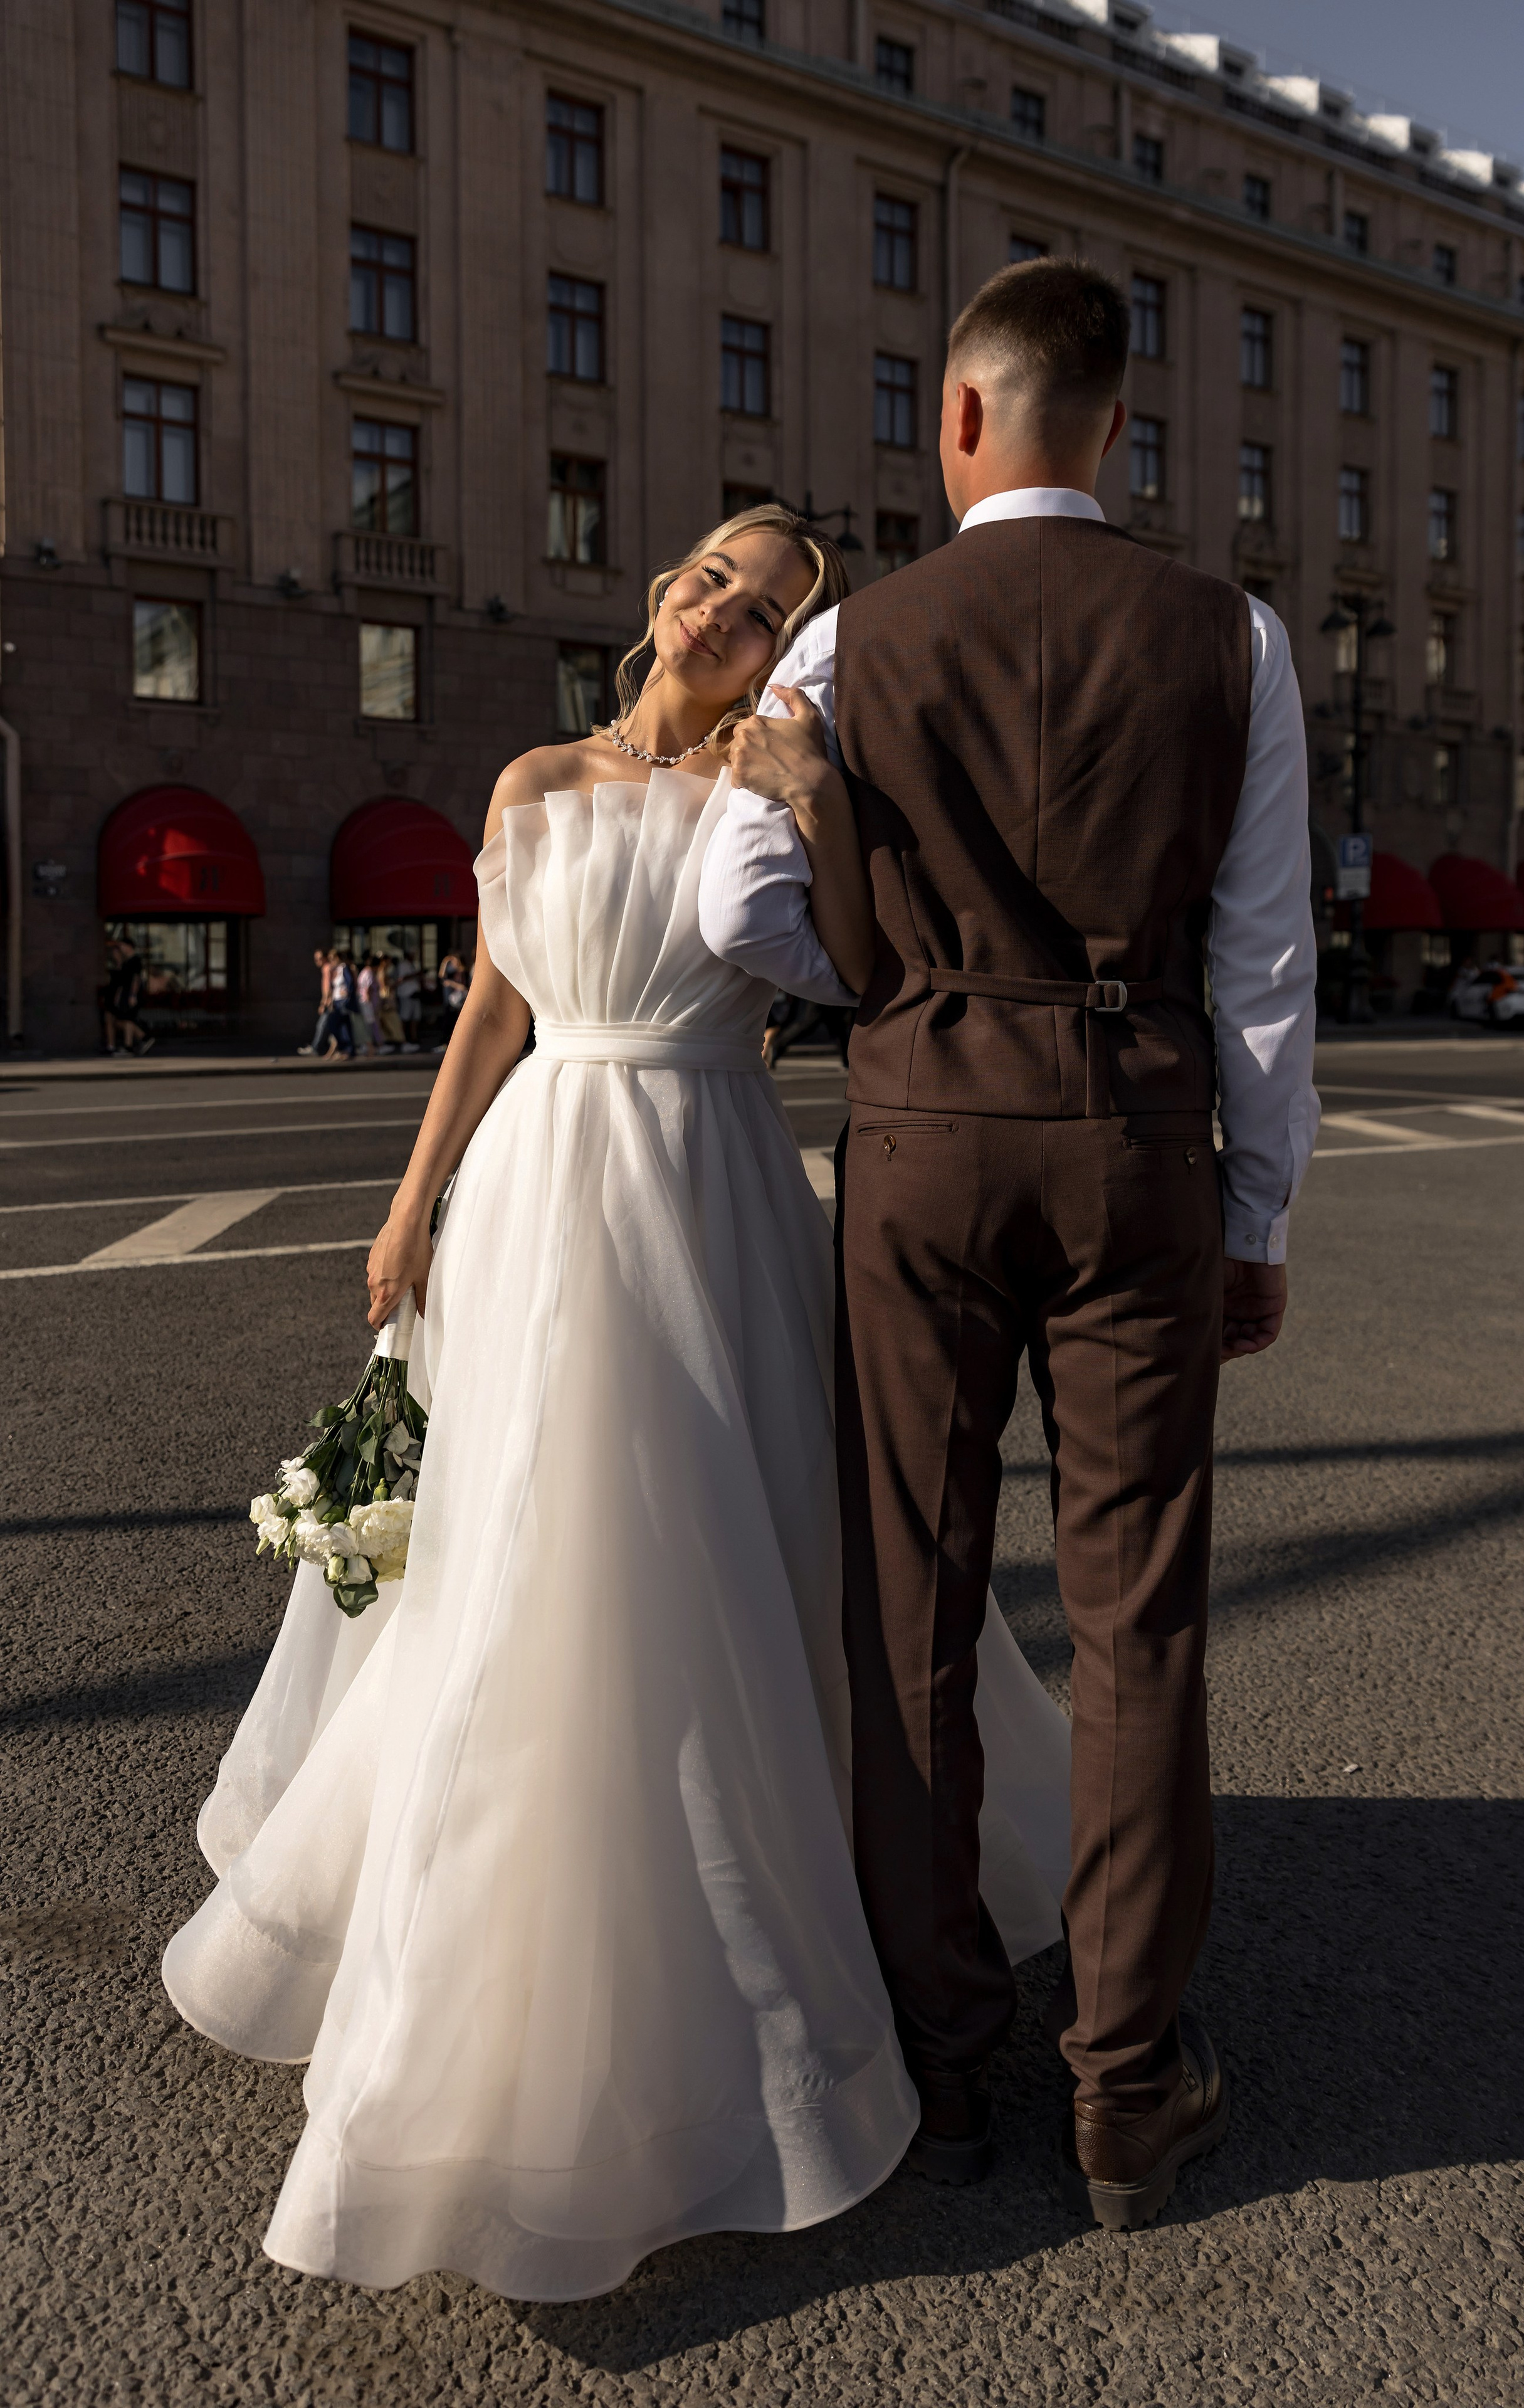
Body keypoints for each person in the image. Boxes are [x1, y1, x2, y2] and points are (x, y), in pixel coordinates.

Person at [160, 503, 1078, 2300]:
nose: (720, 608)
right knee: (513, 1544)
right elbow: (491, 1010)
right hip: (529, 1180)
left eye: (764, 608)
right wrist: (412, 1198)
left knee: (725, 1541)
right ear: (665, 594)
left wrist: (814, 790)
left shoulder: (778, 796)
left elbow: (874, 973)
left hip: (709, 1179)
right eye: (711, 574)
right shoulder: (528, 775)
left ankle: (773, 1934)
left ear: (782, 654)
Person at [701, 257, 1320, 2229]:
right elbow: (1267, 968)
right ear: (1114, 430)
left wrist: (894, 980)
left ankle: (940, 2054)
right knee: (1140, 1617)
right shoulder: (1228, 636)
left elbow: (734, 909)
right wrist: (1257, 1207)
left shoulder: (848, 644)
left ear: (955, 423)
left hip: (921, 1137)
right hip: (1136, 1138)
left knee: (914, 1595)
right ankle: (1128, 2086)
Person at [102, 936, 154, 1055]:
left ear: (129, 946)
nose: (121, 949)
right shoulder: (127, 962)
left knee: (127, 1018)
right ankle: (141, 1038)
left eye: (122, 946)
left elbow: (136, 979)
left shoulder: (135, 961)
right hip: (126, 995)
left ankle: (130, 1045)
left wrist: (133, 995)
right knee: (124, 1019)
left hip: (130, 995)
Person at [395, 943, 422, 1051]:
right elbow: (401, 979)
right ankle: (403, 1039)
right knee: (405, 1018)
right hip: (406, 994)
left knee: (415, 1018)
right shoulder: (403, 965)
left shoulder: (413, 964)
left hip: (415, 994)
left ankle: (413, 1037)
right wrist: (415, 975)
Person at [375, 954, 405, 1050]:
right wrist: (396, 983)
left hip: (386, 997)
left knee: (388, 1020)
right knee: (393, 1019)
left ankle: (392, 1040)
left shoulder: (383, 971)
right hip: (387, 998)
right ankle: (400, 1041)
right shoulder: (382, 971)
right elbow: (384, 986)